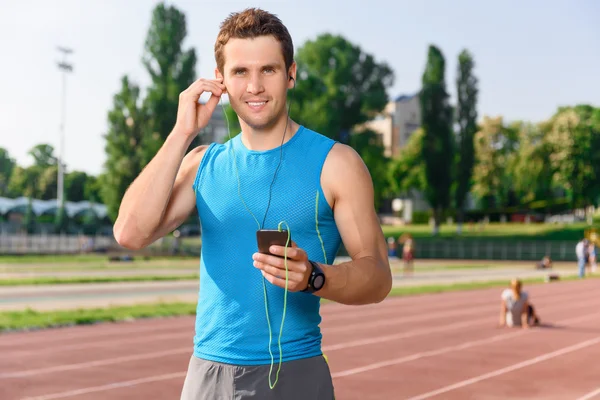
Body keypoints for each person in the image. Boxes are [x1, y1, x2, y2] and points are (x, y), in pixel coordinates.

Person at [113, 8, 392, 400]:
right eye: (241, 72)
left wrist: (314, 277)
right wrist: (182, 131)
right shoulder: (201, 163)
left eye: (269, 70)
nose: (255, 86)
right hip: (207, 375)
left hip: (294, 372)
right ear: (221, 80)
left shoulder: (337, 163)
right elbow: (129, 233)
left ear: (291, 73)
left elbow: (378, 275)